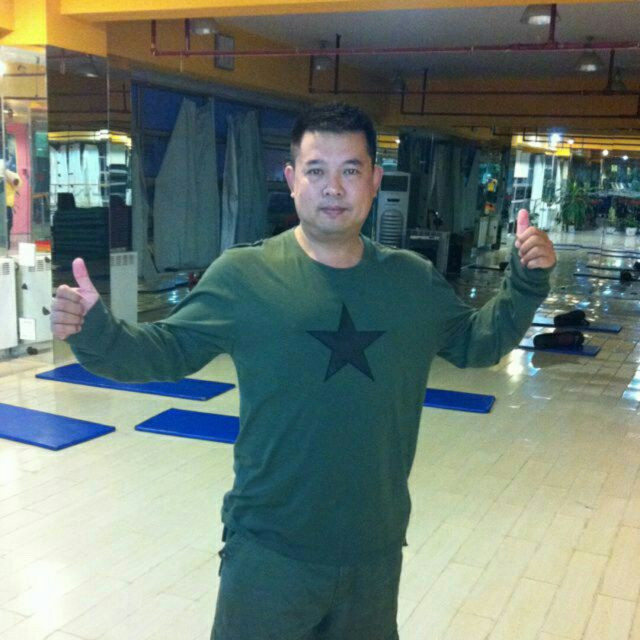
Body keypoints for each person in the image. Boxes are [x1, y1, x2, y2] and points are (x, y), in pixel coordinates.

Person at [51, 102, 556, 640]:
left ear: (374, 181)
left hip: (372, 553)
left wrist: (526, 282)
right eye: (316, 170)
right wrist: (95, 330)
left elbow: (478, 342)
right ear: (292, 180)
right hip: (268, 553)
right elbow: (165, 350)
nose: (333, 187)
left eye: (350, 170)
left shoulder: (411, 282)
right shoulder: (244, 275)